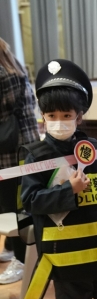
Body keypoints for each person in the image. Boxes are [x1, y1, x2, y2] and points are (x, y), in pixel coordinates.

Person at [20, 59, 97, 299]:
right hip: (64, 264)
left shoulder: (93, 150)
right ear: (42, 116)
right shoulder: (36, 156)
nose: (59, 121)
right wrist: (69, 191)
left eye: (66, 115)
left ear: (79, 116)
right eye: (51, 115)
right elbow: (31, 201)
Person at [0, 37, 39, 284]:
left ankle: (21, 260)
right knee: (19, 204)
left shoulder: (1, 74)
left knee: (11, 207)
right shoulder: (16, 69)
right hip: (26, 146)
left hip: (9, 152)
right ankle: (12, 248)